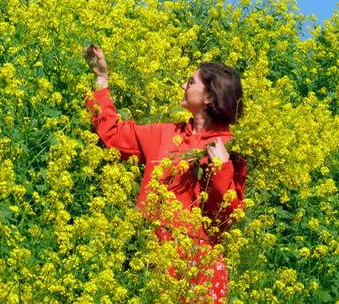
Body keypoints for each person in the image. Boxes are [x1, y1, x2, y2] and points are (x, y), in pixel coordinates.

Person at [83, 44, 247, 302]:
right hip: (155, 255)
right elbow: (113, 135)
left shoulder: (231, 149)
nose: (183, 86)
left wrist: (222, 169)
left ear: (208, 98)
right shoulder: (164, 134)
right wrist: (101, 80)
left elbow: (225, 220)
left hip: (199, 265)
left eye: (190, 82)